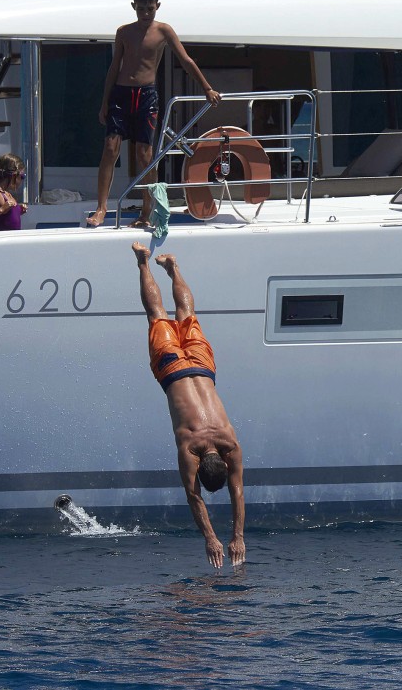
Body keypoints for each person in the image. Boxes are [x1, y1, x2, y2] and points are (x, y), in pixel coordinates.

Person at [133, 243, 244, 568]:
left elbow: (237, 491)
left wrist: (237, 535)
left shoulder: (231, 444)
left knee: (187, 316)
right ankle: (143, 264)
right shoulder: (190, 448)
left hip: (203, 368)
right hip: (171, 372)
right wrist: (213, 538)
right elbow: (194, 496)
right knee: (157, 315)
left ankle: (172, 267)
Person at [87, 0, 221, 227]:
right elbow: (114, 67)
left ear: (157, 6)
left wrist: (206, 88)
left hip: (146, 96)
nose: (146, 13)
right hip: (121, 93)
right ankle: (101, 208)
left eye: (150, 8)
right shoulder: (124, 32)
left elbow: (186, 60)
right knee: (110, 147)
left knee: (145, 154)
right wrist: (105, 102)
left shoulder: (164, 30)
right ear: (133, 7)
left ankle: (146, 211)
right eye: (141, 9)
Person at [0, 154, 25, 231]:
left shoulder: (8, 194)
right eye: (22, 176)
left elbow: (7, 217)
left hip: (11, 241)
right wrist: (1, 210)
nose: (22, 180)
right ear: (13, 175)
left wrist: (19, 210)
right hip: (1, 241)